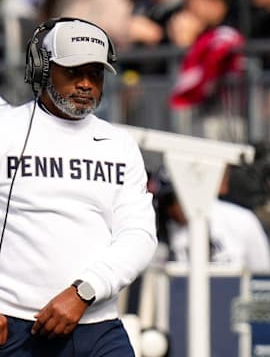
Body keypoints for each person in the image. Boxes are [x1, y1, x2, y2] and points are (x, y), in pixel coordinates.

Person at [0, 18, 157, 356]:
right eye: (73, 71)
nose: (86, 84)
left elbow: (139, 234)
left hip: (98, 325)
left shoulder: (119, 144)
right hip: (13, 328)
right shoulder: (6, 130)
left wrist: (83, 292)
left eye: (95, 73)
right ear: (42, 69)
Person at [153, 166, 270, 273]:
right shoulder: (154, 230)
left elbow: (263, 278)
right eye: (166, 201)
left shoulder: (243, 221)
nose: (173, 208)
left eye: (176, 198)